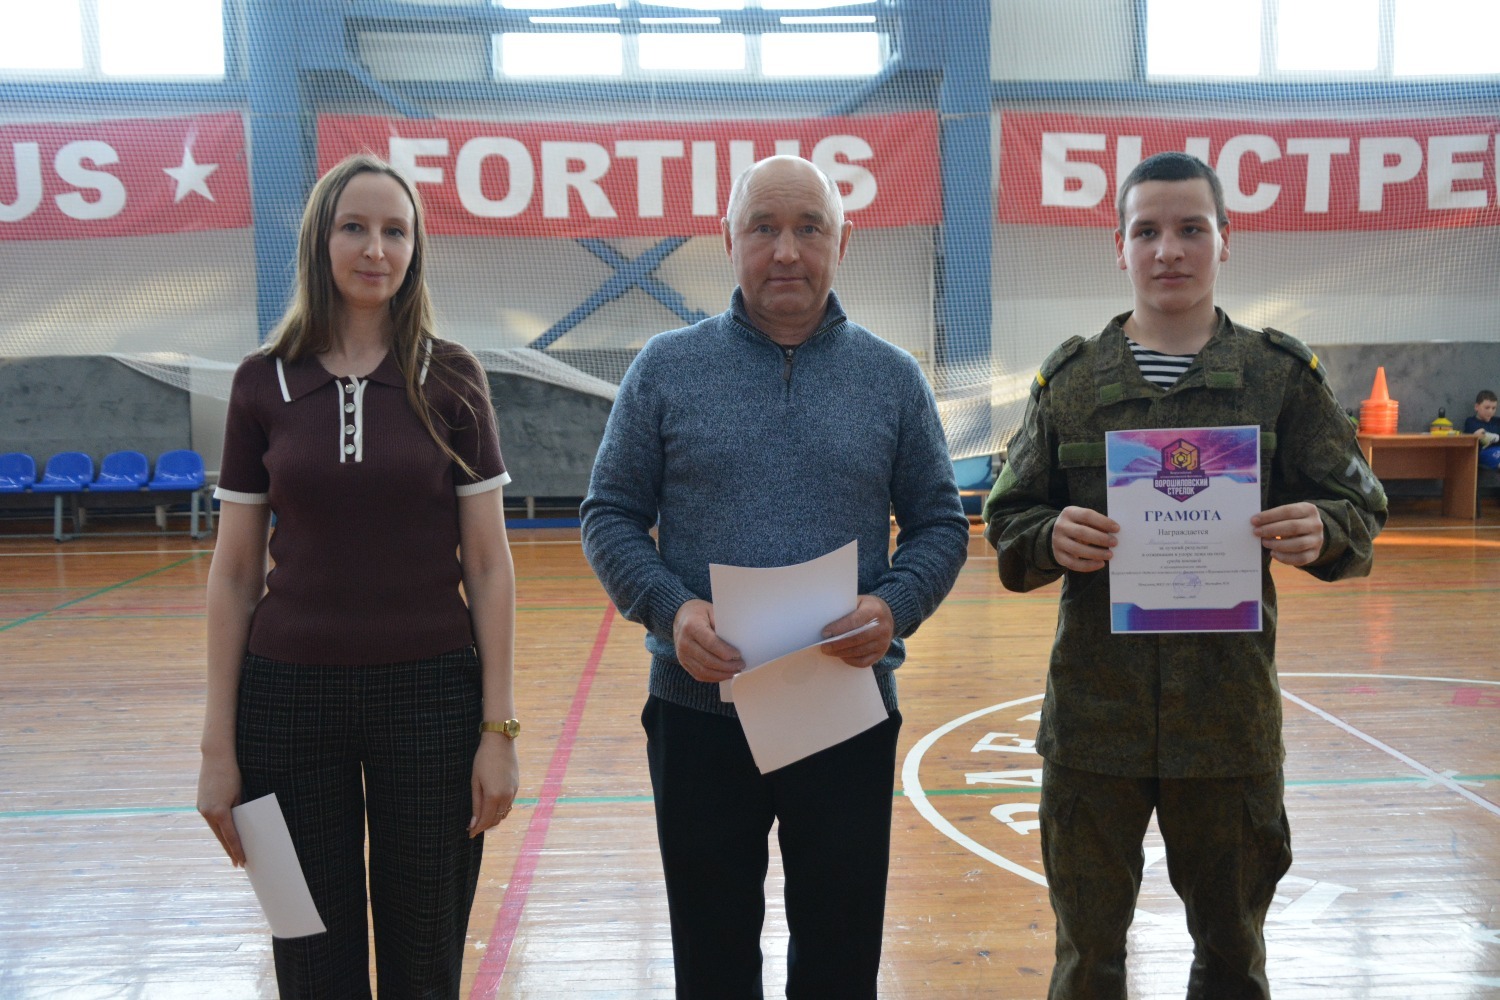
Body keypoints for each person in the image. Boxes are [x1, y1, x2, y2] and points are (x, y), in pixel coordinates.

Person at [982, 151, 1387, 1000]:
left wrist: (1324, 527)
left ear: (1225, 240)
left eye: (1191, 229)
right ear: (1119, 247)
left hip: (1226, 721)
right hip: (1095, 723)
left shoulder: (1279, 378)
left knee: (1233, 958)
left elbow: (1360, 505)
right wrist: (1050, 536)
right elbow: (1007, 523)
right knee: (1087, 962)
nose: (1168, 249)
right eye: (1147, 231)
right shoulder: (1072, 383)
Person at [580, 155, 969, 999]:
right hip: (698, 713)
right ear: (728, 241)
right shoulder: (665, 368)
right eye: (764, 228)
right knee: (712, 959)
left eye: (808, 228)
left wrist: (894, 605)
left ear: (843, 242)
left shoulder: (892, 378)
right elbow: (608, 515)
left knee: (839, 958)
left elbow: (941, 525)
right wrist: (673, 611)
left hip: (844, 710)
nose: (786, 250)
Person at [195, 153, 520, 999]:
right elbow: (234, 573)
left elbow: (489, 566)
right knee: (307, 957)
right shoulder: (260, 382)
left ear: (415, 249)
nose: (376, 248)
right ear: (320, 240)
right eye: (355, 227)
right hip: (283, 706)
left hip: (432, 702)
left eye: (395, 231)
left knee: (426, 963)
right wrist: (218, 748)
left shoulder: (453, 377)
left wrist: (499, 732)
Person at [1464, 389, 1500, 469]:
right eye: (1487, 408)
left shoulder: (1497, 421)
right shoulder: (1471, 422)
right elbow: (1481, 435)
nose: (1490, 411)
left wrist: (1495, 438)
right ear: (1477, 407)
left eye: (1494, 408)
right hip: (1483, 454)